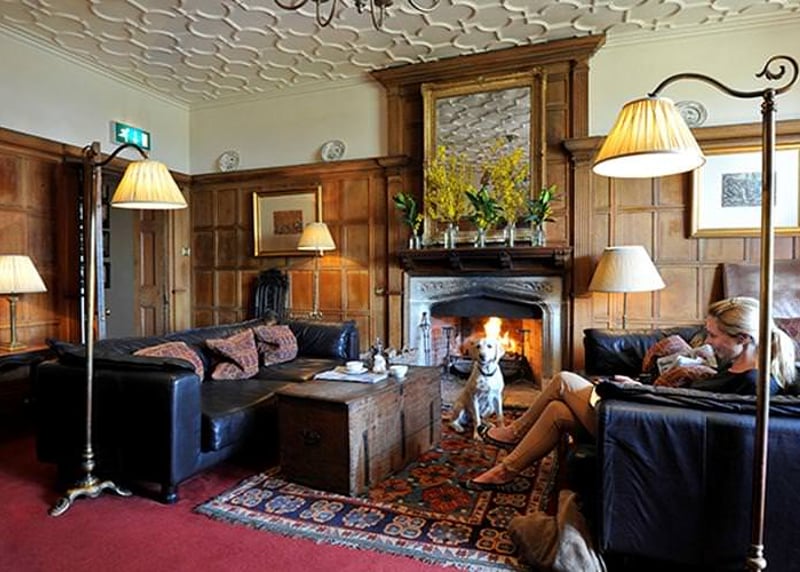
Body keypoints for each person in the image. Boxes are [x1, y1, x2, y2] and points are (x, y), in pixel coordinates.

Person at [463, 296, 796, 490]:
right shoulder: (736, 368)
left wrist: (638, 394)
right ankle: (505, 471)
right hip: (646, 417)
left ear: (743, 339)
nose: (708, 342)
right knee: (557, 412)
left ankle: (513, 433)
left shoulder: (750, 383)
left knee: (563, 380)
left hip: (643, 431)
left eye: (713, 335)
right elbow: (691, 402)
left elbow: (692, 419)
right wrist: (642, 388)